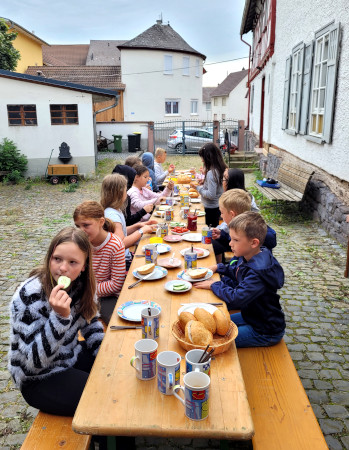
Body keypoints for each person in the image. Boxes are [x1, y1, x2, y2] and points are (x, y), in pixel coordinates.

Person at [8, 227, 105, 416]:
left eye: (73, 262)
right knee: (98, 396)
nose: (63, 268)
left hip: (69, 356)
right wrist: (60, 318)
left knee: (113, 372)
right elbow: (33, 363)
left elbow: (91, 322)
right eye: (57, 259)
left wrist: (102, 353)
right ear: (49, 257)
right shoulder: (31, 296)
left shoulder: (83, 286)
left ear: (84, 266)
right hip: (37, 378)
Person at [194, 212, 285, 348]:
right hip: (251, 315)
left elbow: (236, 298)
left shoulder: (258, 272)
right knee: (212, 324)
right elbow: (236, 270)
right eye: (231, 239)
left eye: (235, 240)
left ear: (254, 243)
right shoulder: (249, 255)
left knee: (215, 340)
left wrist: (215, 285)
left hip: (264, 330)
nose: (230, 243)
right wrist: (218, 267)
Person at [73, 201, 126, 324]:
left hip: (107, 296)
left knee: (115, 322)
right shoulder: (79, 243)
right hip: (82, 293)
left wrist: (88, 291)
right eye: (78, 226)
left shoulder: (115, 245)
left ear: (101, 222)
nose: (81, 231)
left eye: (86, 225)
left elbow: (116, 284)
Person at [100, 174, 157, 268]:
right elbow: (121, 243)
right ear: (120, 193)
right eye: (125, 190)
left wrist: (138, 226)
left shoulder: (114, 210)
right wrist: (142, 231)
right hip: (123, 262)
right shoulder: (112, 215)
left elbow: (121, 232)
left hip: (125, 257)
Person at [212, 189, 276, 263]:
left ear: (232, 214)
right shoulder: (242, 228)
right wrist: (222, 236)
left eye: (222, 212)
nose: (221, 216)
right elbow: (237, 244)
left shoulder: (251, 232)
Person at [190, 143, 227, 227]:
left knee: (209, 232)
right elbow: (217, 185)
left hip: (211, 208)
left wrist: (198, 188)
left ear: (208, 157)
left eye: (202, 157)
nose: (202, 160)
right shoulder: (220, 169)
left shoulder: (211, 173)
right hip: (216, 206)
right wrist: (205, 182)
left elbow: (211, 195)